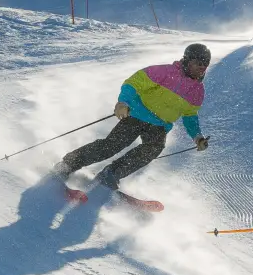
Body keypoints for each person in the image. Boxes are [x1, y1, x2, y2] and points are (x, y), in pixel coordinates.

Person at [54, 43, 211, 190]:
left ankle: (111, 173)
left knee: (153, 149)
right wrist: (123, 103)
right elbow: (133, 83)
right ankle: (68, 164)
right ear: (187, 60)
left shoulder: (198, 91)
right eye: (198, 62)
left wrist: (197, 137)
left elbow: (190, 115)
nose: (202, 67)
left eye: (205, 63)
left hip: (160, 125)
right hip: (137, 114)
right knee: (113, 145)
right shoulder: (165, 72)